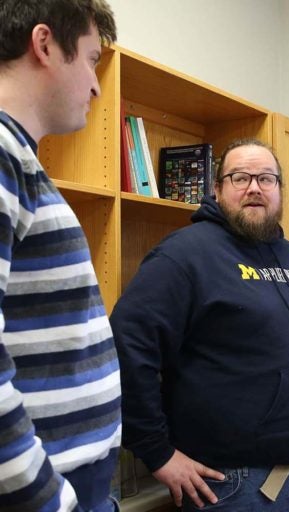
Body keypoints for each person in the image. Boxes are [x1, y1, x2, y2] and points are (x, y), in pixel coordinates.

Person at [110, 138, 289, 511]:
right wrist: (158, 454)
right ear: (217, 190)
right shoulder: (184, 254)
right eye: (239, 177)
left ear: (279, 191)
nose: (254, 187)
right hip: (237, 485)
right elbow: (126, 346)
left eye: (266, 179)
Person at [0, 2, 120, 511]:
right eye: (92, 59)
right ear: (45, 43)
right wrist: (47, 499)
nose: (96, 86)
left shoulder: (21, 159)